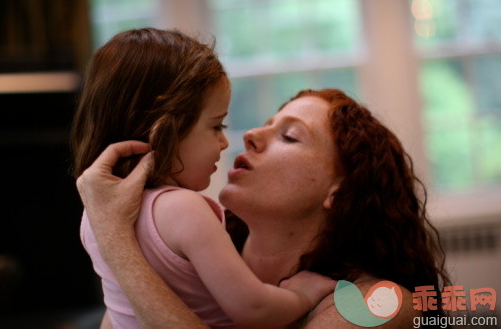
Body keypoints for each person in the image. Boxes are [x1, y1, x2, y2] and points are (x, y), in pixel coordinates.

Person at [76, 88, 451, 328]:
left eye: (289, 136)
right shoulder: (186, 267)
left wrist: (115, 238)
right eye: (265, 126)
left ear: (341, 189)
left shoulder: (379, 304)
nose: (251, 136)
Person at [70, 28, 337, 329]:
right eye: (216, 126)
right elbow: (254, 308)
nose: (227, 142)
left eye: (289, 137)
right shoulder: (185, 210)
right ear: (165, 132)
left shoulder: (96, 216)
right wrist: (301, 294)